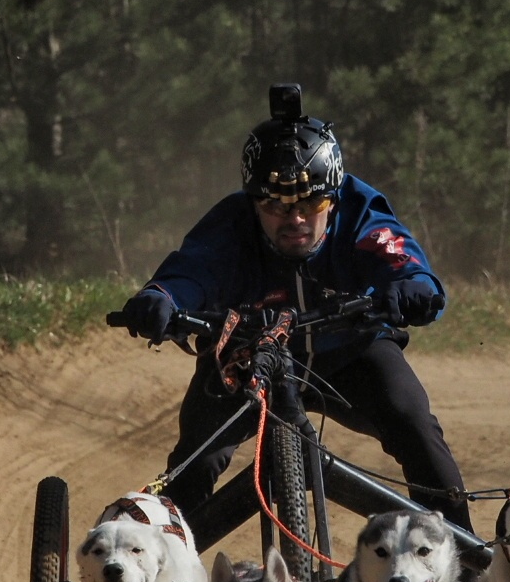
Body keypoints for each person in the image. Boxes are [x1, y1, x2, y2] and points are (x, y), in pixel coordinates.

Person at [118, 83, 474, 535]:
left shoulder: (360, 208)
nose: (296, 219)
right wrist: (162, 299)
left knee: (415, 425)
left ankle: (466, 564)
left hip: (351, 352)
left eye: (313, 203)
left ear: (335, 196)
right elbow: (191, 271)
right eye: (274, 205)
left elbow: (398, 255)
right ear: (253, 202)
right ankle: (161, 569)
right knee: (197, 458)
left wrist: (412, 286)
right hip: (244, 360)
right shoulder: (230, 225)